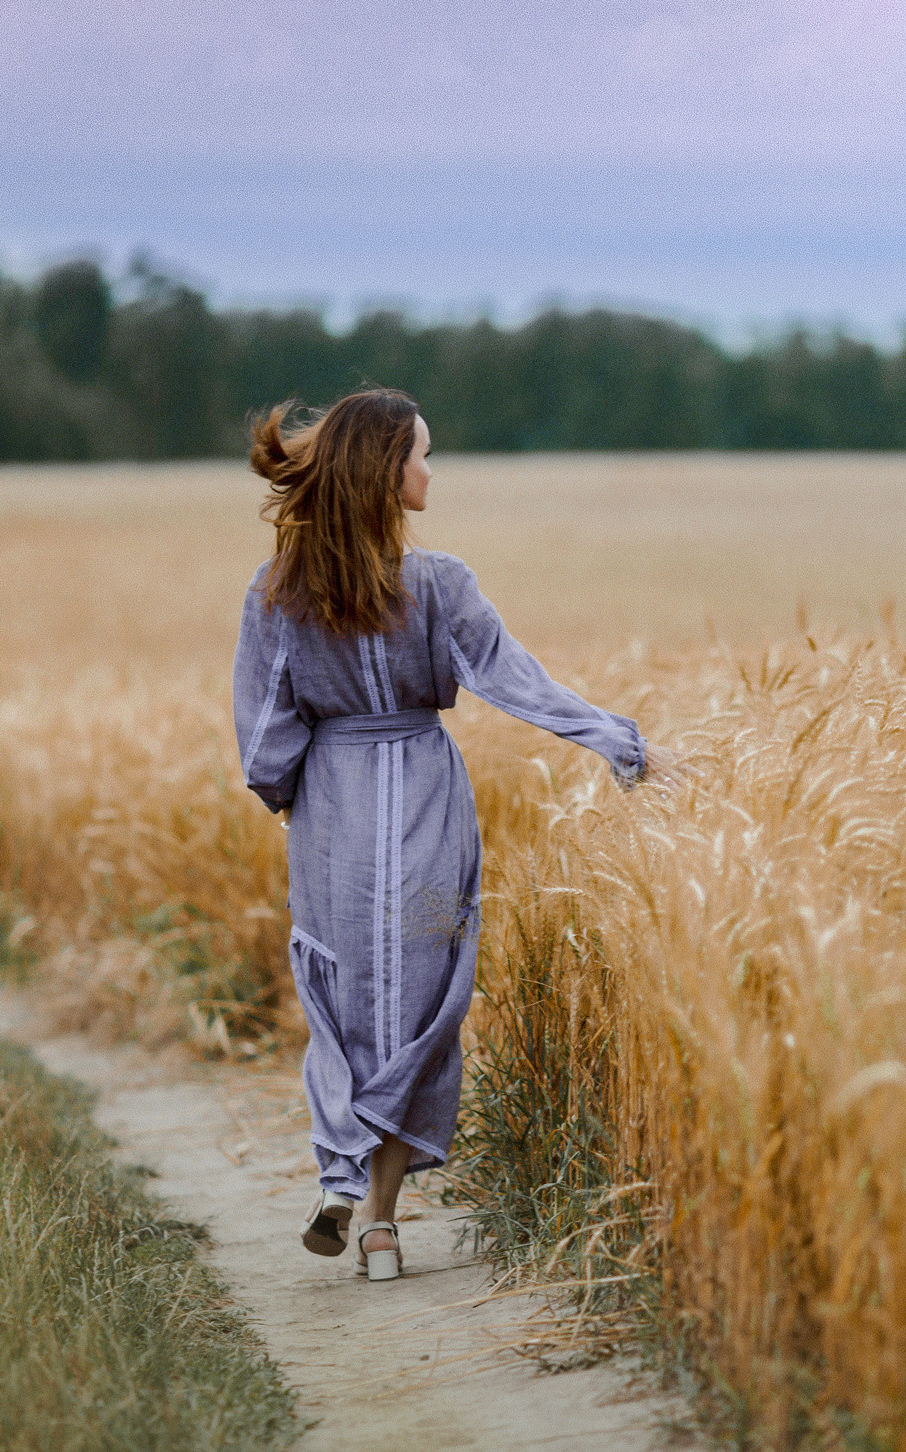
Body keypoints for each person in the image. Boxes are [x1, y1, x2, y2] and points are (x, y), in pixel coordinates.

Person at [232, 387, 675, 1281]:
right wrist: (624, 744)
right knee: (426, 1003)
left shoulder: (278, 591)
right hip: (427, 800)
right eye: (421, 456)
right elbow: (516, 681)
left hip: (331, 808)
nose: (431, 472)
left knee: (338, 996)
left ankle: (338, 1169)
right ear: (385, 472)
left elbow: (266, 730)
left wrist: (289, 798)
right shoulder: (439, 583)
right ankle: (381, 1223)